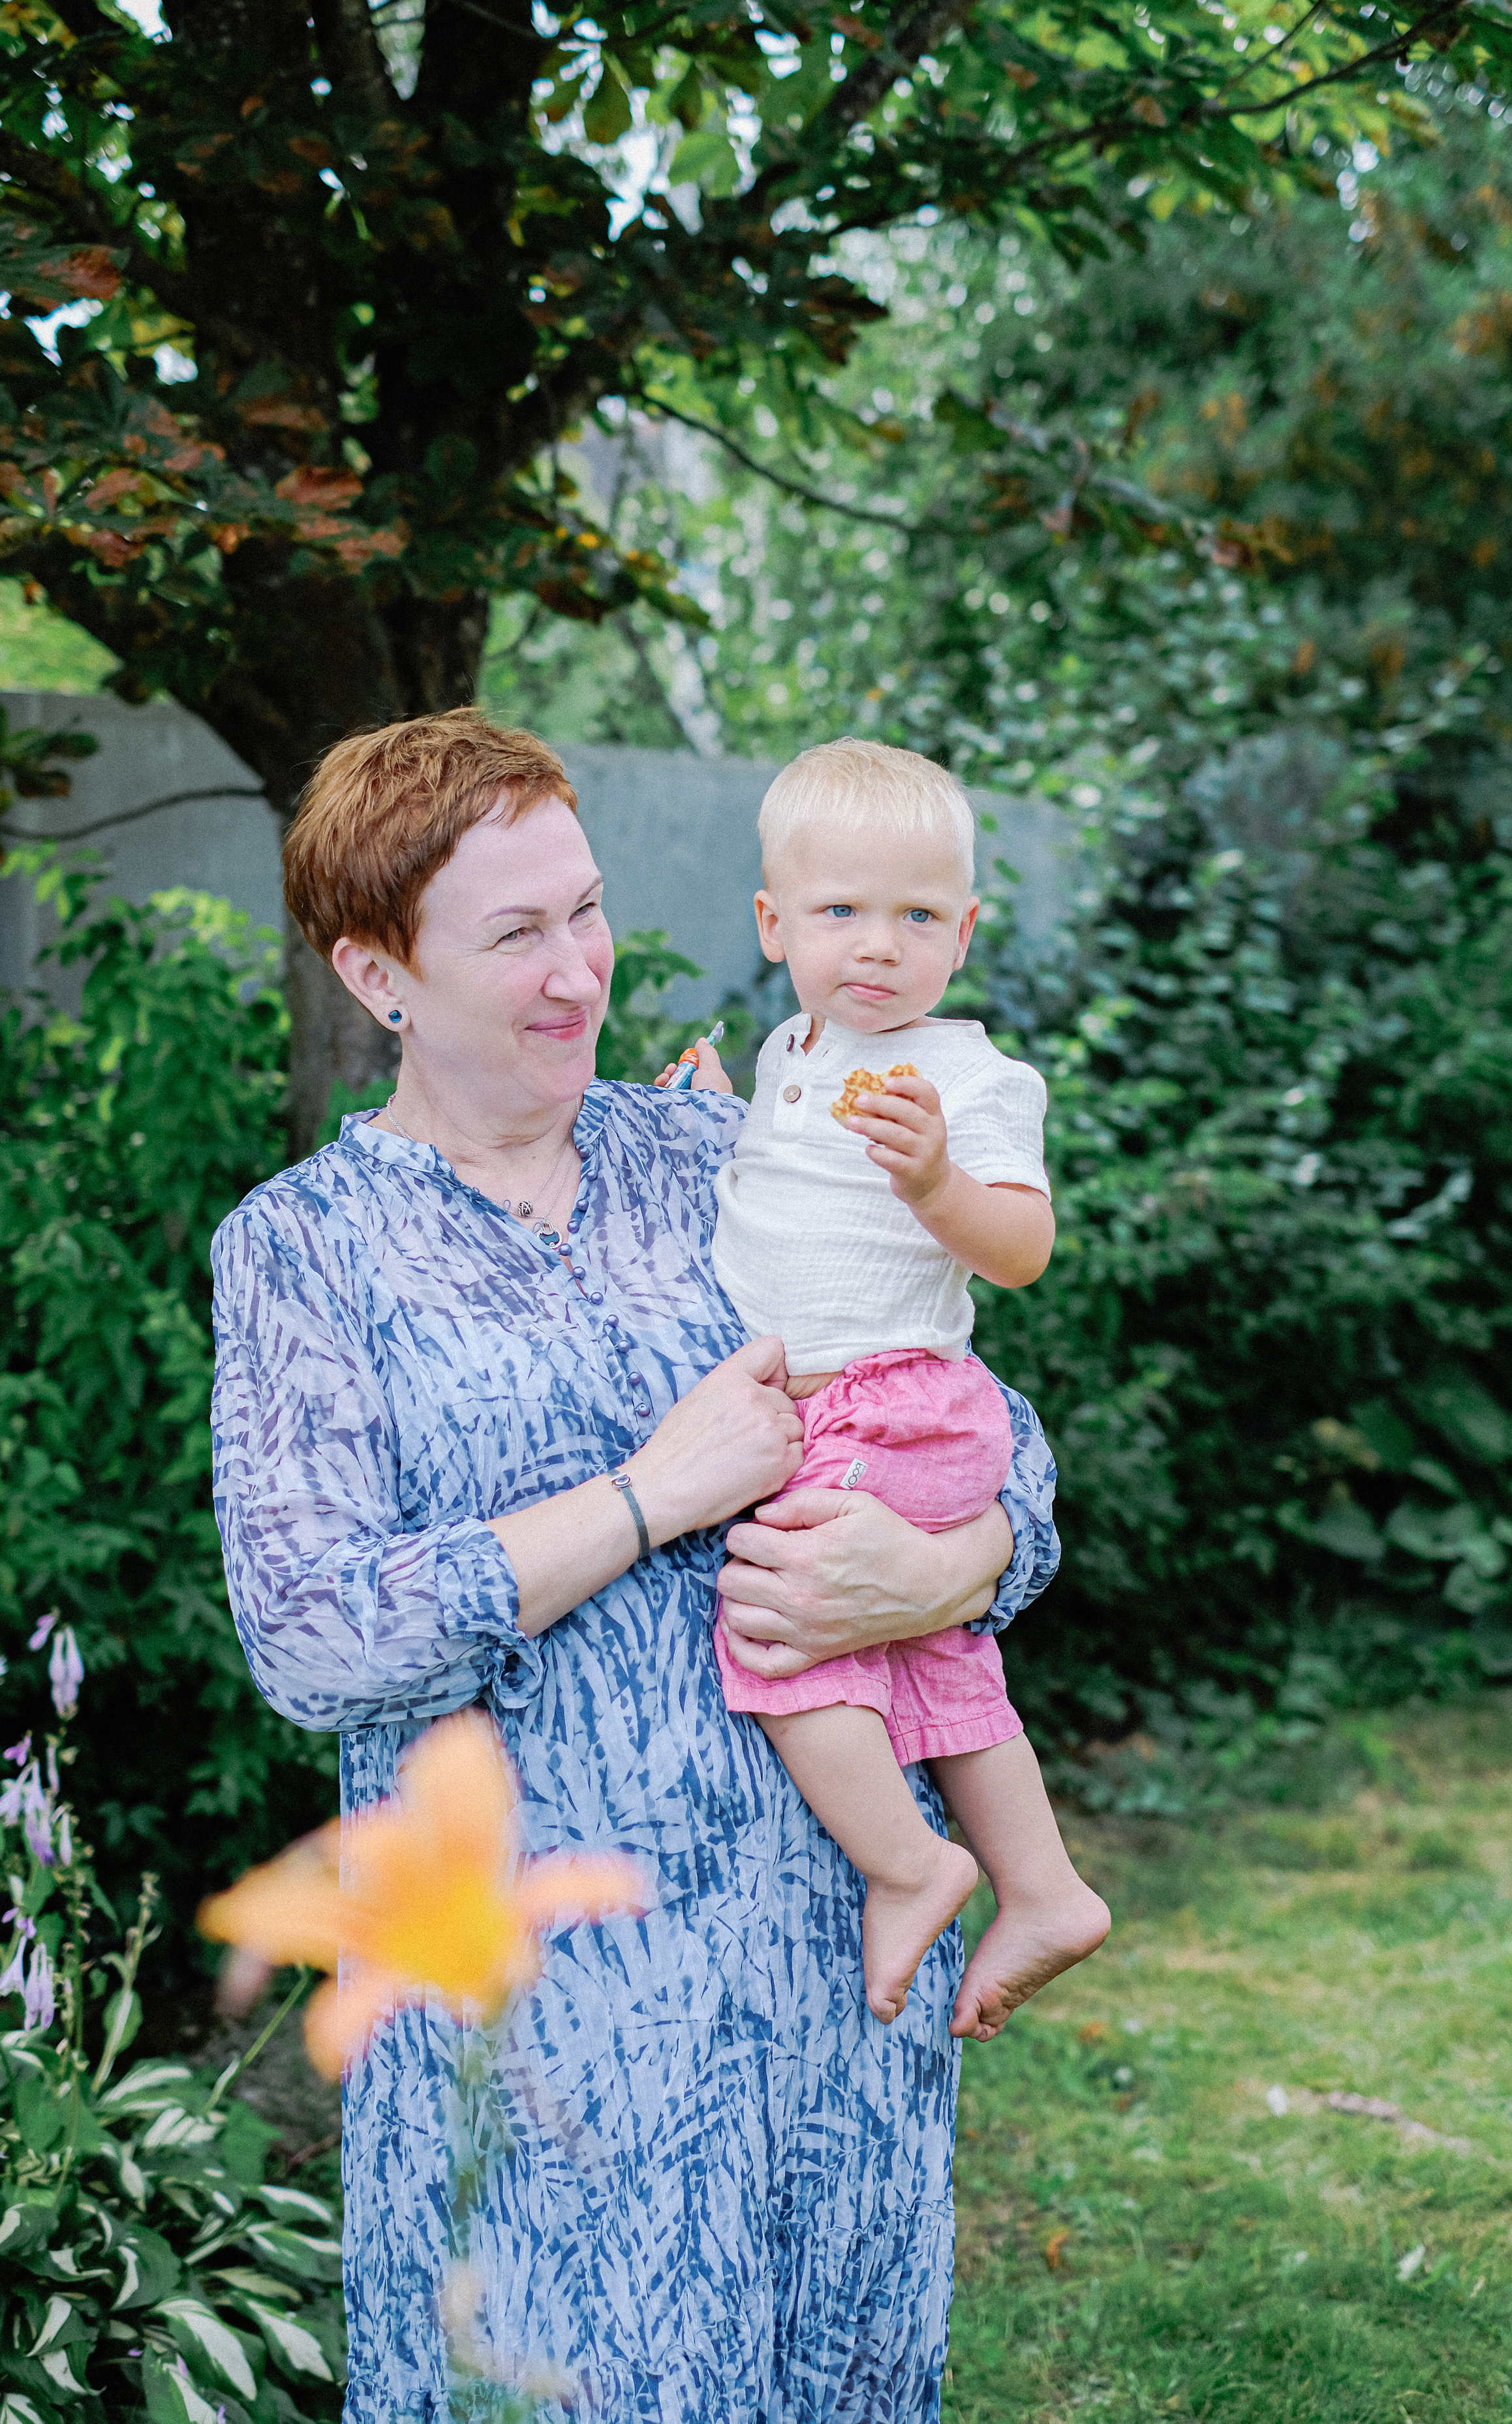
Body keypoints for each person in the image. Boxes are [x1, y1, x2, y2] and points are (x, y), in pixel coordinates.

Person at [209, 709, 1070, 2424]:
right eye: (515, 934)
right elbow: (313, 1638)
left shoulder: (720, 1146)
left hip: (836, 1974)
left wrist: (949, 1563)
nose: (577, 972)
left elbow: (998, 1441)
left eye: (585, 912)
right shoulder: (306, 1253)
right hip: (547, 2043)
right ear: (380, 974)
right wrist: (644, 1496)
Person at [677, 738, 1109, 2032]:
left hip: (886, 1403)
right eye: (839, 913)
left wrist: (933, 1182)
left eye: (915, 916)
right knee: (926, 1650)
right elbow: (777, 1201)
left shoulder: (966, 1080)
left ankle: (909, 1868)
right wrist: (717, 1120)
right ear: (773, 924)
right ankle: (1040, 1886)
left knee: (779, 1630)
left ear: (962, 933)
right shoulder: (784, 1053)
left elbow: (1022, 1251)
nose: (876, 945)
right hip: (855, 1411)